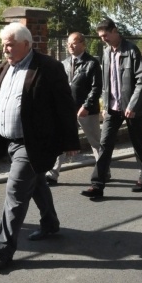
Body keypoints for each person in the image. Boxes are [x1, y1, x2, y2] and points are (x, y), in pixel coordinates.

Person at [0, 23, 80, 270]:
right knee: (37, 183)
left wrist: (70, 141)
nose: (5, 49)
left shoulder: (48, 67)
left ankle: (2, 250)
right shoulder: (5, 67)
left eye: (10, 44)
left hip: (34, 142)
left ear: (26, 44)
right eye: (3, 44)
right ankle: (50, 222)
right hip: (10, 141)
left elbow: (65, 105)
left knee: (15, 191)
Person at [81, 19, 142, 199]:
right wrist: (105, 105)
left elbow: (141, 81)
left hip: (132, 107)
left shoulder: (131, 50)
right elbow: (106, 82)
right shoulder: (106, 52)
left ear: (114, 31)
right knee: (104, 145)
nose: (103, 39)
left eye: (105, 35)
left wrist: (132, 105)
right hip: (112, 108)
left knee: (139, 144)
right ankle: (97, 185)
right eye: (100, 36)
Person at [46, 32, 103, 185]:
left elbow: (96, 88)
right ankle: (52, 174)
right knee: (61, 141)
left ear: (83, 44)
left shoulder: (92, 63)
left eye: (74, 42)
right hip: (67, 110)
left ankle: (103, 171)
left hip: (86, 110)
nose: (70, 46)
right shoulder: (64, 63)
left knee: (95, 142)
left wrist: (87, 105)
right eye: (68, 43)